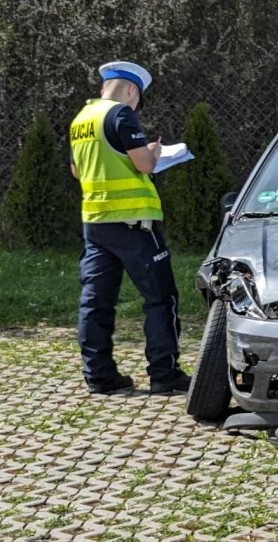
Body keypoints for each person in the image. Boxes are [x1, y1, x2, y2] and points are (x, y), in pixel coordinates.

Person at [68, 60, 189, 395]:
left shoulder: (80, 120)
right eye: (138, 98)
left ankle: (99, 376)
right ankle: (164, 373)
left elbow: (77, 172)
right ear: (132, 89)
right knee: (160, 298)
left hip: (95, 224)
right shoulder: (120, 115)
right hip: (134, 223)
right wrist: (155, 151)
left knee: (96, 301)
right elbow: (145, 165)